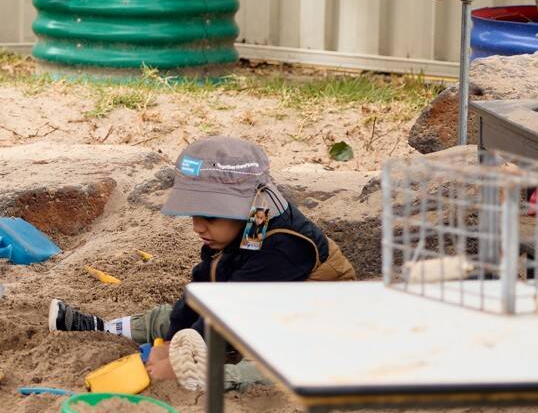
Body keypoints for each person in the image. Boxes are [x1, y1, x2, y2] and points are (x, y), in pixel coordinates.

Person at [48, 135, 355, 392]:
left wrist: (179, 360)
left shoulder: (283, 245)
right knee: (171, 317)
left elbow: (231, 313)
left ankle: (210, 379)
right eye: (195, 215)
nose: (197, 227)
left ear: (245, 206)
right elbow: (205, 289)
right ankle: (106, 327)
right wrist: (170, 340)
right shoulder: (246, 220)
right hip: (256, 308)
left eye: (208, 215)